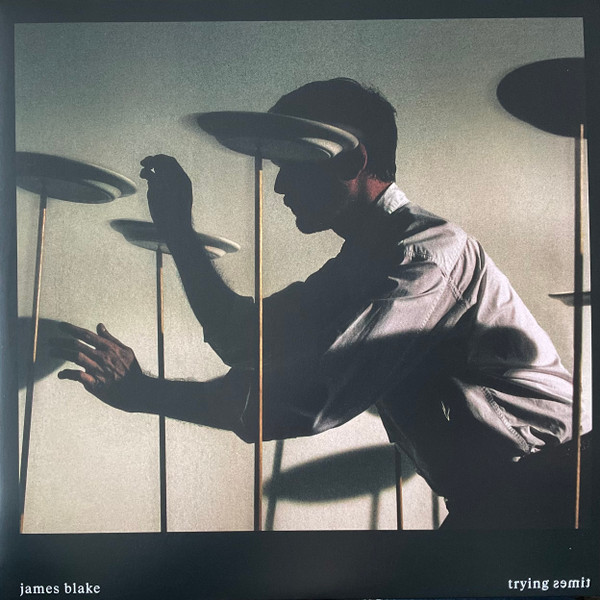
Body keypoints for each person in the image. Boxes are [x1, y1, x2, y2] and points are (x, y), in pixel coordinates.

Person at [52, 78, 590, 529]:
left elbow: (311, 398)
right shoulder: (365, 260)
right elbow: (245, 338)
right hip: (502, 497)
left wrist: (145, 393)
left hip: (558, 488)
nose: (279, 185)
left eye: (292, 162)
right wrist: (178, 231)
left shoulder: (421, 257)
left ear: (352, 158)